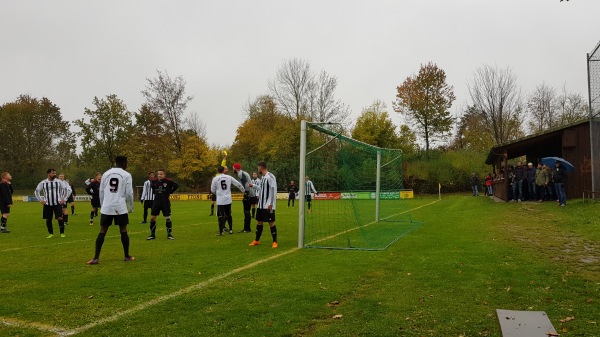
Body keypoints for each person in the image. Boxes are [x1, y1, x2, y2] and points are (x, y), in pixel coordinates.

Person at [87, 156, 135, 265]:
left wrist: (103, 204)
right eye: (126, 162)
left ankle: (95, 258)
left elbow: (102, 191)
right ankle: (126, 256)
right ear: (123, 163)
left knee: (102, 231)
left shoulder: (106, 173)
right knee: (123, 230)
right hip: (120, 207)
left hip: (107, 206)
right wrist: (131, 207)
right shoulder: (126, 175)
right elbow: (129, 193)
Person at [35, 168, 71, 238]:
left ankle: (62, 233)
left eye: (55, 173)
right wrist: (40, 200)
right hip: (47, 204)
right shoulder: (43, 183)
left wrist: (64, 199)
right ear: (48, 174)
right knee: (48, 219)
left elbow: (67, 190)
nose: (54, 174)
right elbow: (37, 191)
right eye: (53, 173)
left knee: (60, 218)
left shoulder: (59, 182)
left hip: (57, 203)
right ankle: (51, 233)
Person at [249, 162, 278, 248]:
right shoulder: (263, 178)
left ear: (261, 168)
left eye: (258, 168)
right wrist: (253, 185)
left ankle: (275, 242)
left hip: (268, 205)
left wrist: (271, 204)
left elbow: (273, 190)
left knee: (271, 222)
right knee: (259, 222)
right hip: (261, 205)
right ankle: (257, 240)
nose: (258, 170)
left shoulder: (270, 177)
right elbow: (261, 189)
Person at [212, 165, 245, 235]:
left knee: (220, 216)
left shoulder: (215, 179)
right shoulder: (229, 177)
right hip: (228, 199)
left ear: (218, 171)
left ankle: (221, 232)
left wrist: (217, 193)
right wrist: (243, 190)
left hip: (220, 200)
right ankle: (230, 230)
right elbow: (237, 184)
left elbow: (212, 190)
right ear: (223, 170)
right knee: (229, 214)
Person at [147, 168, 179, 240]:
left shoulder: (168, 181)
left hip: (165, 202)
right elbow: (152, 187)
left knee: (167, 218)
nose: (159, 175)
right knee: (152, 218)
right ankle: (152, 234)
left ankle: (169, 234)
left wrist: (170, 192)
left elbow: (177, 185)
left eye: (161, 174)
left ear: (164, 174)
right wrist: (155, 193)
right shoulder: (154, 181)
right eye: (158, 174)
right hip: (156, 202)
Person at [232, 163, 254, 233]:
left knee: (246, 211)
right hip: (250, 193)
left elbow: (246, 184)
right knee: (247, 211)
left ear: (236, 168)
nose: (233, 169)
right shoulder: (243, 173)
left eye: (233, 168)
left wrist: (246, 193)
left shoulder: (240, 174)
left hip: (248, 194)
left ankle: (247, 228)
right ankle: (246, 228)